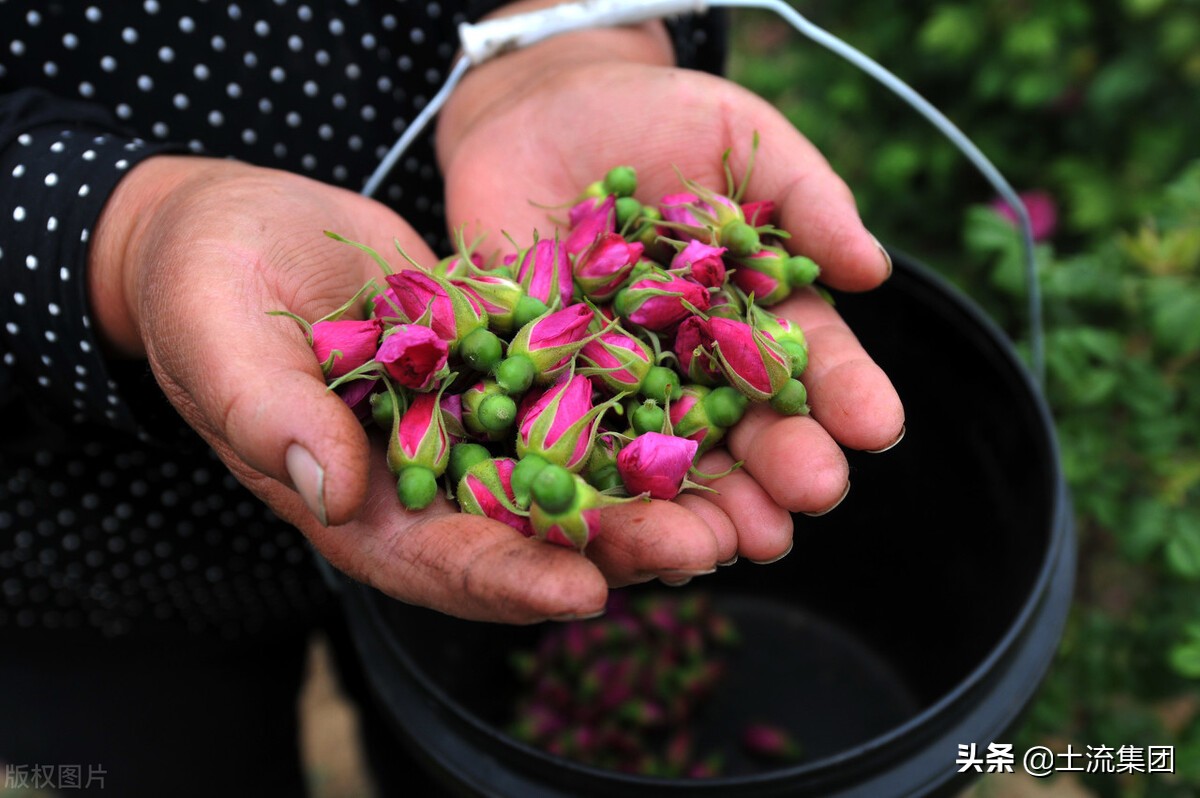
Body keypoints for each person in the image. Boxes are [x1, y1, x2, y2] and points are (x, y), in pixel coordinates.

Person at [1, 1, 904, 795]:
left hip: (431, 314)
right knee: (164, 760)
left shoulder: (532, 361)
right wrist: (123, 235)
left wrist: (564, 34)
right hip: (94, 545)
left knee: (429, 743)